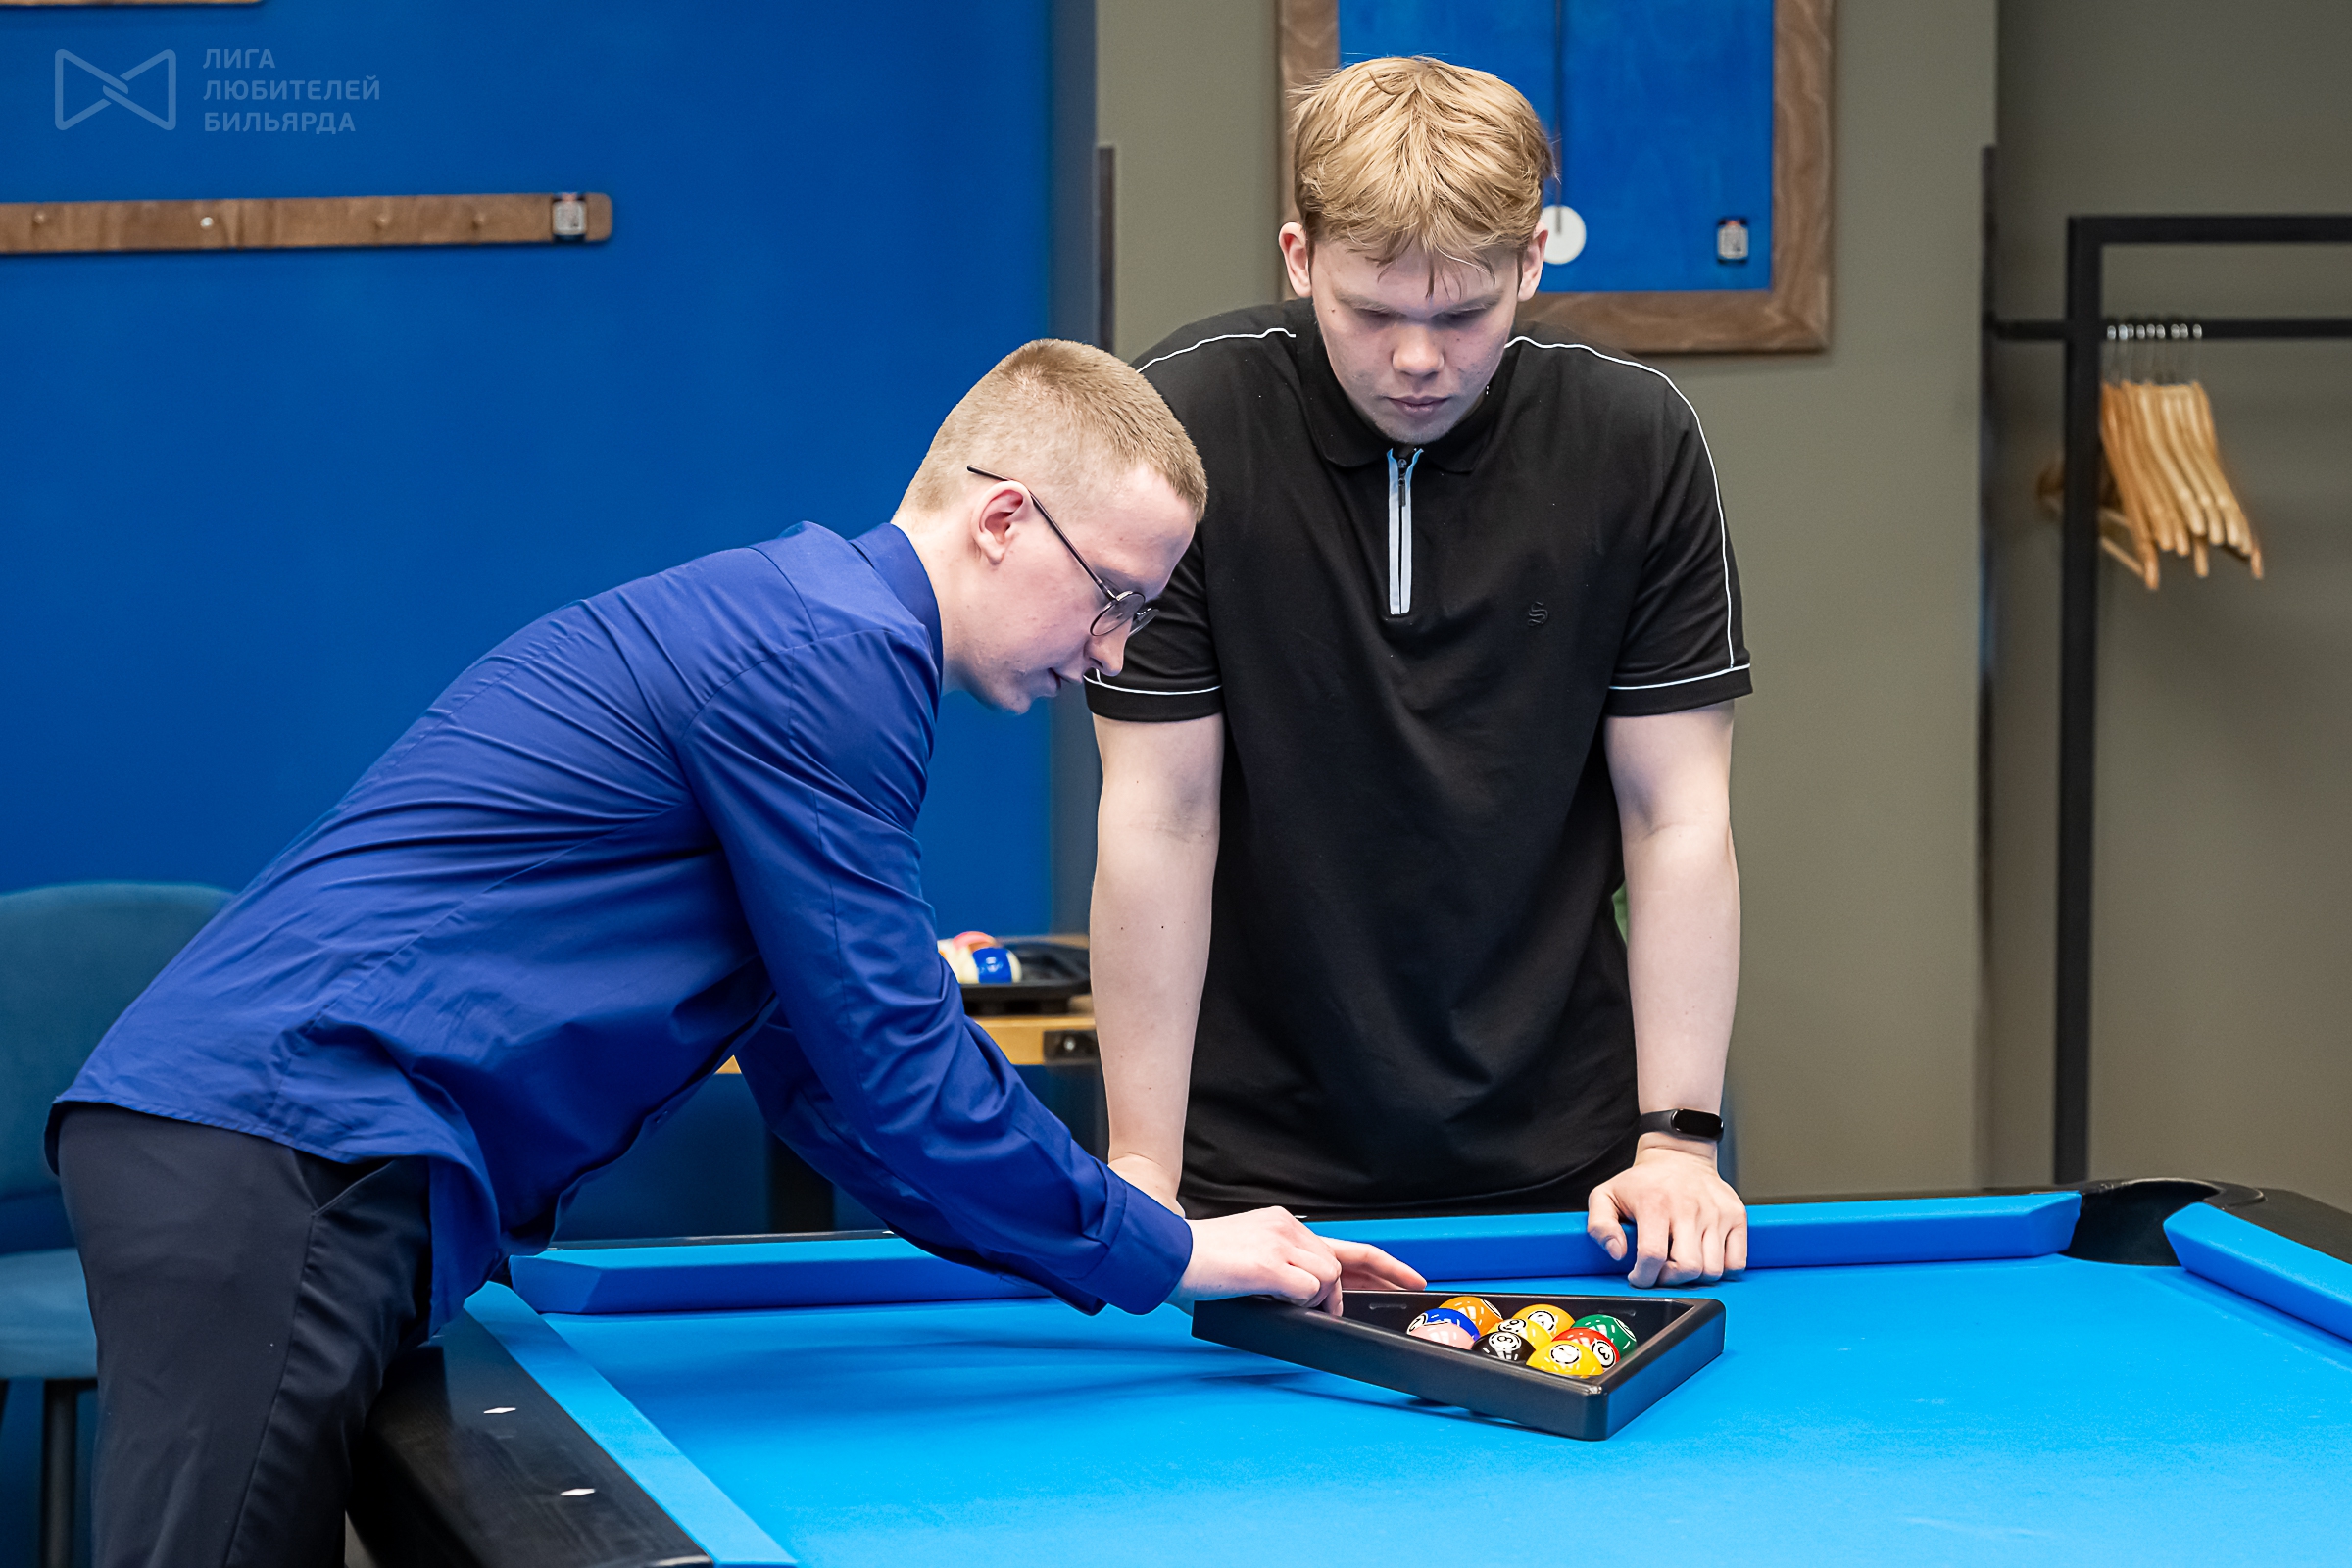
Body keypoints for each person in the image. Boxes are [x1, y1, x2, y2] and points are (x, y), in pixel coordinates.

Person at [51, 339, 1421, 1568]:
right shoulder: (832, 660)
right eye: (1116, 596)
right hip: (281, 1147)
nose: (1114, 655)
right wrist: (1165, 1248)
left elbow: (829, 1090)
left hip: (277, 1148)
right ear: (1006, 520)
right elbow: (902, 1073)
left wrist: (1109, 1254)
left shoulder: (803, 623)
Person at [1085, 58, 1751, 1288]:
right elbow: (1160, 817)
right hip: (1245, 1166)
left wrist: (1678, 1140)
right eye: (1371, 311)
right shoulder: (1180, 426)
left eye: (1462, 317)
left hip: (1576, 1163)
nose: (1416, 360)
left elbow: (1677, 814)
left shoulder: (1635, 440)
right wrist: (1143, 1175)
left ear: (1532, 261)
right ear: (1299, 257)